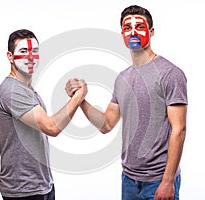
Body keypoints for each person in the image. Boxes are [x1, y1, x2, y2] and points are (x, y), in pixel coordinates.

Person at [65, 5, 187, 200]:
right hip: (128, 180)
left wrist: (168, 181)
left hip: (158, 180)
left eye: (139, 26)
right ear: (122, 34)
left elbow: (179, 129)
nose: (133, 32)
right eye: (127, 28)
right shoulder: (122, 78)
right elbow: (106, 124)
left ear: (151, 32)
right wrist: (80, 100)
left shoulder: (170, 74)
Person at [0, 29, 87, 200]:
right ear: (10, 56)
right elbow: (51, 127)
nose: (30, 57)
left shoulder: (26, 89)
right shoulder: (12, 91)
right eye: (23, 51)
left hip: (41, 185)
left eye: (34, 51)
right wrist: (79, 96)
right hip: (23, 191)